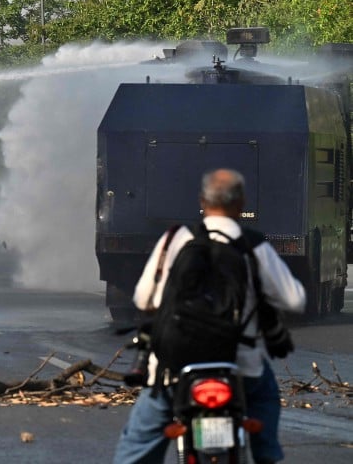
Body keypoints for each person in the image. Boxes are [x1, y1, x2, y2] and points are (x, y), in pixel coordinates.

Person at [112, 169, 306, 464]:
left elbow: (143, 298)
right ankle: (266, 456)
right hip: (240, 367)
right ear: (241, 203)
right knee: (265, 397)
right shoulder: (254, 246)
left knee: (136, 446)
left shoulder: (175, 240)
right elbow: (295, 299)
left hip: (174, 368)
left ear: (202, 201)